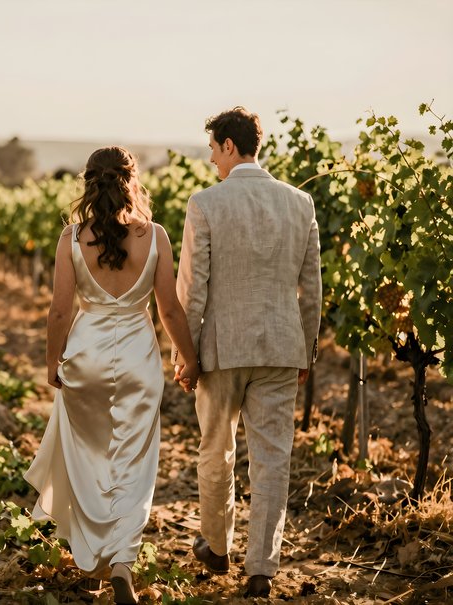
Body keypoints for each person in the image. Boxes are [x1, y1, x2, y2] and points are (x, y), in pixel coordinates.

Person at [24, 146, 200, 605]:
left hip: (86, 357)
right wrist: (190, 359)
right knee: (134, 465)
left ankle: (95, 561)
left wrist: (52, 361)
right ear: (132, 181)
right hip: (139, 360)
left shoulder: (71, 237)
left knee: (89, 460)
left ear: (88, 183)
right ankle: (122, 559)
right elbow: (169, 309)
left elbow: (59, 309)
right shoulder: (155, 235)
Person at [172, 106, 322, 598]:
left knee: (216, 450)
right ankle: (261, 568)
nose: (211, 160)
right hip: (282, 346)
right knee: (273, 458)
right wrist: (306, 349)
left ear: (230, 146)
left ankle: (217, 548)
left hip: (221, 348)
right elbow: (312, 289)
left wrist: (185, 355)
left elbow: (192, 289)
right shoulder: (300, 203)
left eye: (213, 150)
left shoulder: (205, 204)